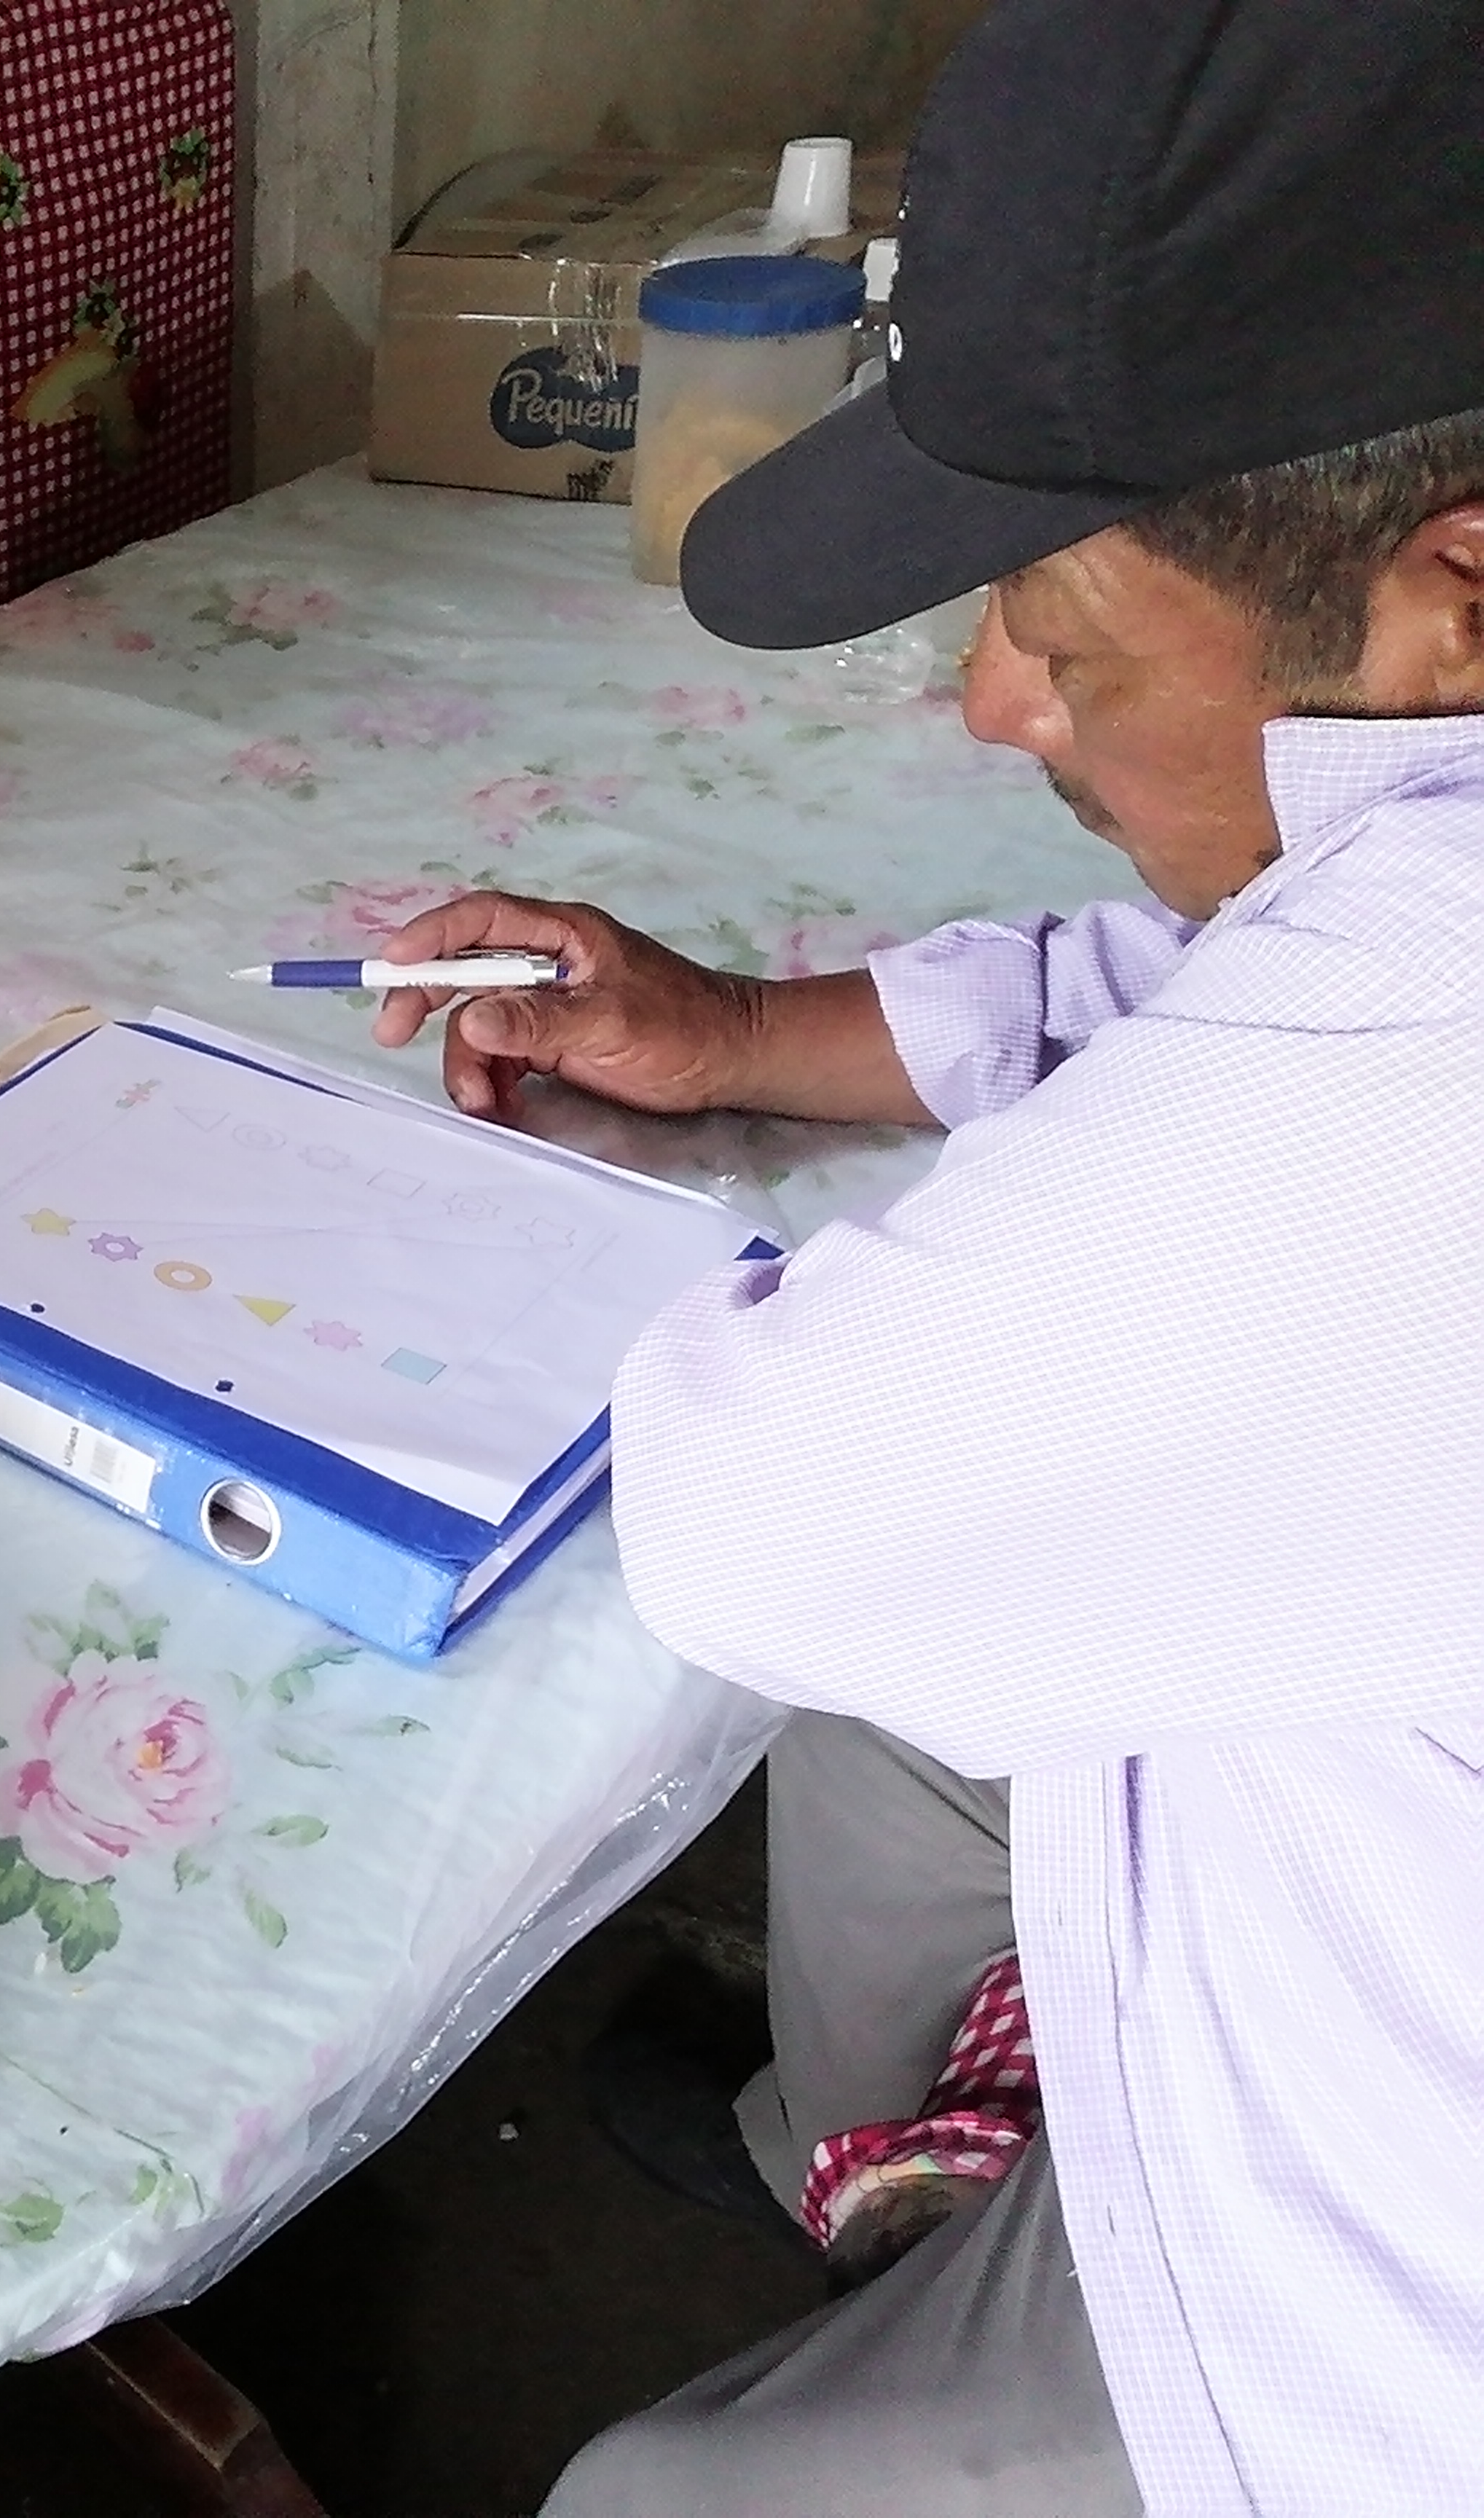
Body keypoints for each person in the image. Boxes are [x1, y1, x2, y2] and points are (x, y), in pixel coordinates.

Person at [370, 3, 1484, 2511]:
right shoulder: (1402, 869)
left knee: (643, 2506)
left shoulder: (1424, 1062)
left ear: (1456, 592)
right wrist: (739, 1034)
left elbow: (756, 1513)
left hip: (1397, 2312)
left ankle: (1019, 2268)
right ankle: (890, 2182)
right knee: (894, 1750)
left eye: (1061, 640)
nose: (993, 706)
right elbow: (1187, 987)